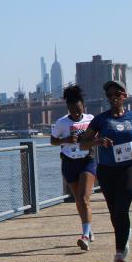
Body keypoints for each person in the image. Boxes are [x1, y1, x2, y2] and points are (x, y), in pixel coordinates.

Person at [77, 80, 132, 262]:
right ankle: (124, 233)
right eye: (109, 95)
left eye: (117, 94)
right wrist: (98, 141)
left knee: (121, 207)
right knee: (114, 211)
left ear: (124, 96)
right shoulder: (100, 120)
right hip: (106, 170)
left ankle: (119, 254)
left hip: (130, 167)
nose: (113, 98)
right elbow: (83, 144)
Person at [49, 85, 96, 250]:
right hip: (69, 162)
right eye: (72, 110)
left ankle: (85, 237)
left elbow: (98, 135)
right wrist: (66, 139)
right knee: (79, 200)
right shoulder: (61, 122)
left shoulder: (90, 119)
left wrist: (90, 139)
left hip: (87, 161)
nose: (75, 113)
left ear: (83, 106)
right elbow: (53, 141)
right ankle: (88, 229)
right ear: (67, 108)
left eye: (78, 109)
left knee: (84, 198)